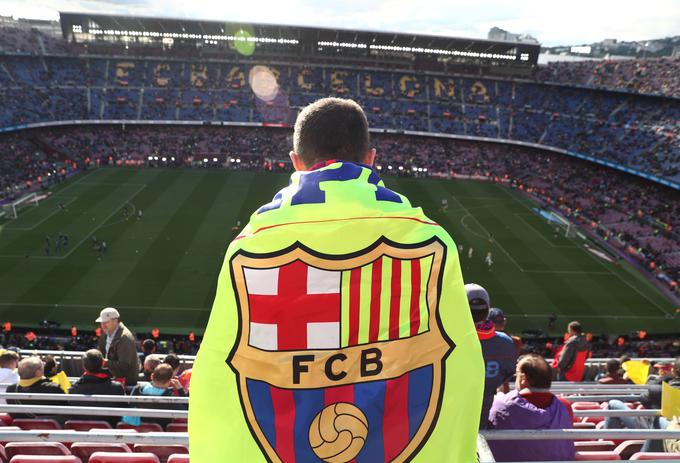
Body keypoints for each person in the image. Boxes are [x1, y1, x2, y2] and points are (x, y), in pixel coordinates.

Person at [190, 98, 484, 463]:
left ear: (295, 162)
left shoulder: (249, 247)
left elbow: (219, 374)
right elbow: (461, 368)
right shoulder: (430, 241)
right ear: (371, 158)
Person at [487, 354, 575, 462]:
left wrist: (501, 396)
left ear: (523, 379)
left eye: (517, 374)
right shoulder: (565, 406)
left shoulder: (500, 404)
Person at [465, 284, 518, 429]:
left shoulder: (445, 341)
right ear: (488, 309)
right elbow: (506, 375)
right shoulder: (506, 343)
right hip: (482, 418)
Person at [69, 349, 126, 427]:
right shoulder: (117, 388)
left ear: (84, 367)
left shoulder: (72, 390)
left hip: (80, 436)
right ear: (103, 363)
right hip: (109, 436)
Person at [124, 363, 186, 428]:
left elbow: (130, 406)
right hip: (160, 435)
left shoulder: (137, 389)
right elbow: (185, 411)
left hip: (138, 431)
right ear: (170, 381)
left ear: (152, 376)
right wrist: (180, 389)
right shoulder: (170, 397)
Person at [96, 307, 140, 386]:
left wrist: (105, 363)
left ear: (115, 321)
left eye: (106, 322)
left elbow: (124, 365)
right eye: (101, 322)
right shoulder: (106, 333)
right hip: (113, 379)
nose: (102, 325)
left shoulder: (124, 338)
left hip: (125, 383)